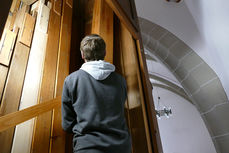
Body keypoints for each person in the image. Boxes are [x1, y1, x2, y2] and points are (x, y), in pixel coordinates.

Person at [61, 34, 132, 153]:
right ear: (104, 53)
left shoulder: (71, 80)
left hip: (88, 147)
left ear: (82, 54)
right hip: (121, 146)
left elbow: (67, 124)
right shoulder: (120, 80)